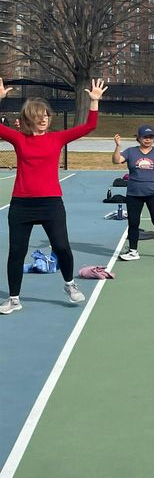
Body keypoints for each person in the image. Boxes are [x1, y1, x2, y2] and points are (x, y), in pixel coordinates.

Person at [0, 77, 107, 315]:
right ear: (29, 120)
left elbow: (89, 127)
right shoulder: (20, 139)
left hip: (50, 203)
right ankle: (14, 299)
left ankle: (69, 284)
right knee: (17, 252)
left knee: (62, 247)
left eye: (46, 116)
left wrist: (94, 102)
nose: (43, 120)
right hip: (21, 204)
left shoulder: (56, 138)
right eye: (38, 117)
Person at [112, 125, 154, 260]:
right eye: (145, 137)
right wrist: (118, 146)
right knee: (133, 223)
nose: (148, 140)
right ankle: (133, 251)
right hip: (134, 193)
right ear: (138, 138)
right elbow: (116, 161)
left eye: (151, 137)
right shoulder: (131, 151)